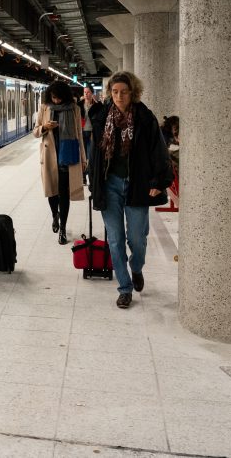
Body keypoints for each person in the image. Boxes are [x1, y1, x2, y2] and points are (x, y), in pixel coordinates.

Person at [88, 71, 173, 309]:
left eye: (124, 92)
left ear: (132, 92)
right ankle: (124, 288)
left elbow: (159, 150)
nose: (119, 96)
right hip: (110, 185)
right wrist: (93, 182)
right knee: (115, 240)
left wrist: (158, 181)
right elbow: (94, 155)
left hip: (137, 184)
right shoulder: (101, 117)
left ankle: (136, 268)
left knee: (137, 239)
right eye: (115, 92)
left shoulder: (145, 118)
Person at [33, 81, 87, 245]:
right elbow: (35, 132)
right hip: (50, 156)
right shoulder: (44, 108)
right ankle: (54, 215)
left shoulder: (75, 109)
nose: (56, 101)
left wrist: (83, 158)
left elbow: (79, 134)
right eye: (53, 98)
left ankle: (63, 228)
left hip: (67, 155)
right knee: (52, 192)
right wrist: (45, 127)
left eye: (59, 98)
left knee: (64, 193)